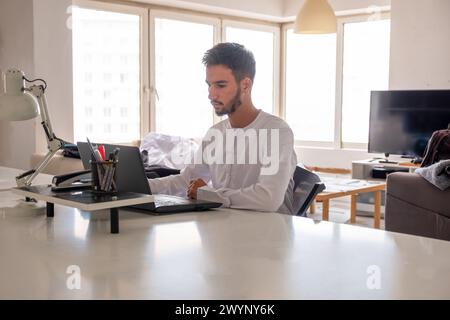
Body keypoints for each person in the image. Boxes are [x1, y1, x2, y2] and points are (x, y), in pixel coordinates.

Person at [148, 42, 298, 214]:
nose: (211, 94)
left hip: (269, 234)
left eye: (220, 85)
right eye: (209, 85)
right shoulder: (215, 134)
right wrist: (137, 185)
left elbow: (268, 199)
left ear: (245, 85)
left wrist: (209, 195)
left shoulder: (276, 132)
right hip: (225, 229)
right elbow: (186, 181)